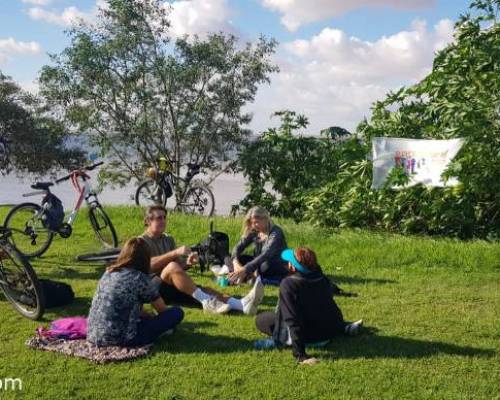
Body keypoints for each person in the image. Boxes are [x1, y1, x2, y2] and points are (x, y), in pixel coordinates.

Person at [141, 205, 264, 316]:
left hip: (170, 286)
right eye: (158, 218)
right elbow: (146, 266)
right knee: (173, 267)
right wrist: (175, 253)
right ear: (148, 221)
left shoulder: (168, 239)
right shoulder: (141, 242)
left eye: (164, 217)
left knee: (206, 290)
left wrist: (188, 264)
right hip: (153, 289)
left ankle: (241, 305)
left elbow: (177, 267)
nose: (163, 221)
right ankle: (206, 301)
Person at [254, 246, 363, 365]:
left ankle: (278, 341)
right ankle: (345, 327)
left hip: (311, 337)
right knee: (316, 308)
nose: (287, 264)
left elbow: (292, 319)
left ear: (293, 266)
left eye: (289, 262)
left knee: (261, 320)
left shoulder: (289, 284)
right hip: (329, 330)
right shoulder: (320, 276)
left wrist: (301, 355)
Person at [87, 237, 184, 347]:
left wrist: (145, 314)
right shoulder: (140, 278)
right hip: (124, 339)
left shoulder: (109, 272)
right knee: (176, 312)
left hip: (93, 334)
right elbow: (162, 310)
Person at [228, 206, 288, 285]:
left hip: (273, 265)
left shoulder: (276, 232)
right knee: (234, 257)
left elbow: (266, 255)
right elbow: (238, 247)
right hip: (258, 263)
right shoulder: (255, 231)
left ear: (265, 219)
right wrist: (236, 263)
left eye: (256, 222)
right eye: (252, 223)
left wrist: (245, 269)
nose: (254, 225)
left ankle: (246, 276)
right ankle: (242, 275)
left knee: (263, 265)